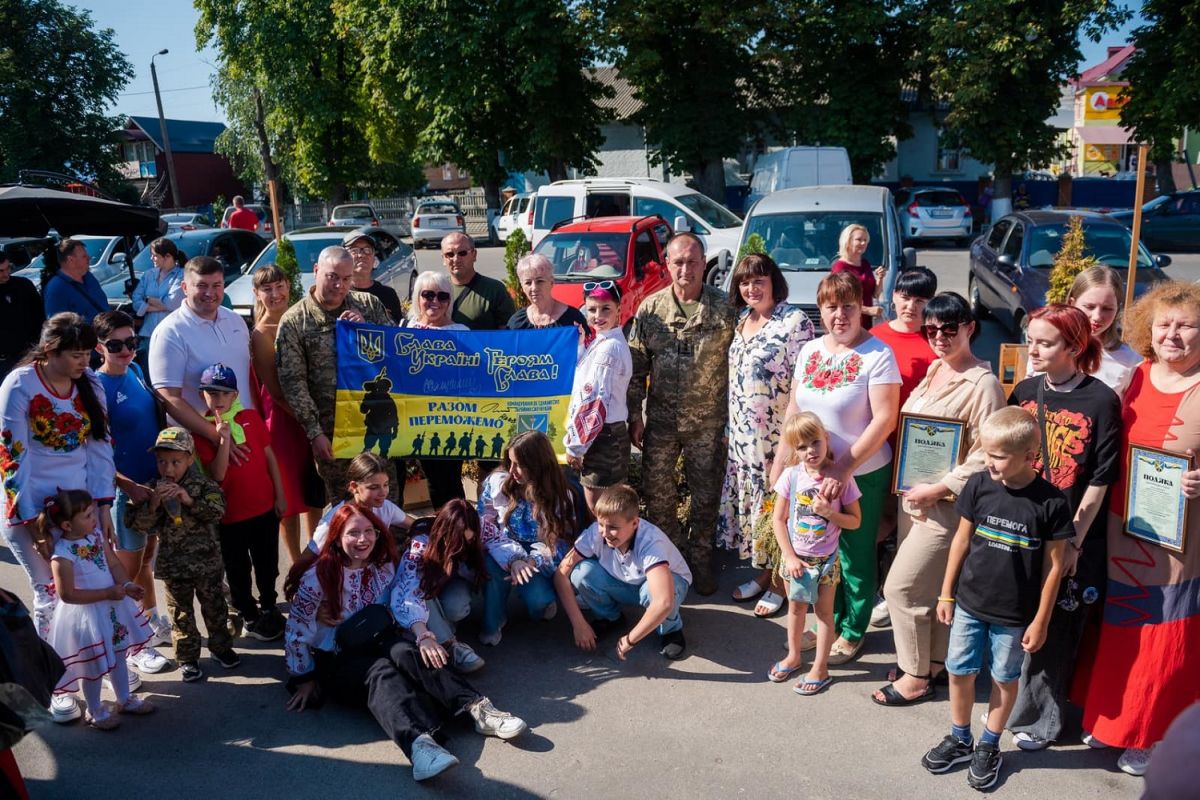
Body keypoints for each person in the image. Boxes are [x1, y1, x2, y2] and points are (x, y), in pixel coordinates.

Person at [283, 503, 527, 783]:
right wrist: (303, 677)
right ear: (337, 536)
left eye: (368, 531)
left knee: (407, 653)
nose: (362, 539)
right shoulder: (318, 576)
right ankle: (420, 745)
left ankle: (477, 709)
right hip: (338, 655)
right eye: (353, 533)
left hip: (379, 637)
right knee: (381, 673)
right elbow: (295, 631)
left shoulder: (382, 563)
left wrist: (423, 635)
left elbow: (404, 594)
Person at [1081, 282, 1200, 777]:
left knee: (1165, 631)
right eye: (1164, 324)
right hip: (1122, 524)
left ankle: (1154, 733)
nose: (1173, 334)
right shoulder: (1137, 375)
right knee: (1119, 622)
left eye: (1186, 325)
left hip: (1181, 537)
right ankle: (1112, 717)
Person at [920, 407, 1071, 791]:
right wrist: (945, 593)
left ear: (1029, 455)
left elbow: (1055, 567)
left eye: (999, 456)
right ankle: (960, 737)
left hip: (1015, 614)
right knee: (958, 669)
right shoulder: (979, 485)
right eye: (986, 453)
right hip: (969, 603)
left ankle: (989, 743)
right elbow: (961, 540)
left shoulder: (1051, 502)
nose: (989, 462)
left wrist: (1041, 620)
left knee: (1004, 678)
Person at [874, 293, 1005, 706]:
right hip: (914, 500)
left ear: (969, 327)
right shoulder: (934, 370)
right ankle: (932, 664)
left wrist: (942, 486)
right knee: (928, 593)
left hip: (946, 507)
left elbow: (987, 453)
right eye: (931, 330)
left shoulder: (984, 384)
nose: (940, 338)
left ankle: (913, 674)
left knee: (901, 588)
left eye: (950, 329)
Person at [1004, 305, 1121, 750]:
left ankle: (1042, 722)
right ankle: (1016, 706)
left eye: (1045, 342)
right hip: (1023, 531)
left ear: (1073, 347)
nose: (1032, 349)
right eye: (1030, 338)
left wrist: (1073, 539)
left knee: (1056, 629)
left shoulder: (1100, 400)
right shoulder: (1026, 391)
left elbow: (1100, 478)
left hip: (1072, 536)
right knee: (1022, 624)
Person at [771, 271, 900, 665]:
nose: (840, 315)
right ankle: (828, 618)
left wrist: (843, 468)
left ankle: (852, 629)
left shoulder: (878, 355)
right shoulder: (811, 352)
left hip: (860, 473)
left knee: (855, 554)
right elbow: (795, 411)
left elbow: (885, 420)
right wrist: (781, 462)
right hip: (812, 473)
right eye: (831, 307)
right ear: (822, 310)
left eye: (848, 306)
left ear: (861, 306)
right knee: (819, 553)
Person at [0, 313, 117, 721]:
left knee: (93, 588)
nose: (84, 361)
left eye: (88, 353)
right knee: (52, 594)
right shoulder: (19, 385)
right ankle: (56, 684)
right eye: (75, 354)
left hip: (81, 510)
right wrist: (32, 521)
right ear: (50, 350)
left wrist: (103, 507)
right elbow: (14, 455)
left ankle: (95, 668)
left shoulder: (91, 384)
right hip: (33, 510)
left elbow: (100, 448)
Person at [627, 233, 736, 595]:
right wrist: (634, 416)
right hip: (660, 422)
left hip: (708, 424)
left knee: (706, 496)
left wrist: (732, 423)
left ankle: (701, 560)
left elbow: (741, 364)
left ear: (704, 263)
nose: (685, 269)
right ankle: (670, 561)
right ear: (668, 265)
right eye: (677, 262)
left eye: (692, 261)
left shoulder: (726, 309)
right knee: (658, 495)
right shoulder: (651, 309)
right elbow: (636, 367)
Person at [716, 253, 814, 617]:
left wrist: (790, 447)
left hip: (776, 439)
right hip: (743, 441)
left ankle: (779, 585)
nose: (751, 288)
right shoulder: (743, 320)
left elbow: (803, 388)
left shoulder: (794, 322)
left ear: (774, 281)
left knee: (778, 508)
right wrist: (730, 430)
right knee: (757, 511)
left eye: (759, 280)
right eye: (744, 282)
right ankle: (764, 572)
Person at [275, 246, 398, 504]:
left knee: (386, 505)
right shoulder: (295, 322)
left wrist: (367, 330)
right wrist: (314, 432)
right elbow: (294, 383)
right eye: (332, 277)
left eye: (346, 278)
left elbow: (396, 353)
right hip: (333, 437)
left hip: (375, 428)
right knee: (346, 511)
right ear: (317, 271)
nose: (340, 285)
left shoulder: (369, 305)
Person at [126, 427, 240, 682]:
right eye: (162, 461)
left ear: (190, 458)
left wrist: (189, 500)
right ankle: (187, 658)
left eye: (176, 462)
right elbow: (137, 523)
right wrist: (154, 504)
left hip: (207, 563)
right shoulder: (152, 488)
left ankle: (222, 648)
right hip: (174, 565)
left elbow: (218, 511)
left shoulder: (203, 484)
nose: (168, 468)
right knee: (181, 614)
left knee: (215, 608)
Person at [93, 311, 172, 673]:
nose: (126, 350)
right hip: (127, 493)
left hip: (151, 487)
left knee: (146, 560)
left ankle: (151, 622)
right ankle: (129, 648)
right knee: (125, 573)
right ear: (99, 348)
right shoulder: (96, 388)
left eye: (131, 342)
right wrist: (126, 485)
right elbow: (95, 451)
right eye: (116, 345)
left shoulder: (137, 373)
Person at [43, 489, 155, 730]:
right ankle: (95, 710)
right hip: (86, 616)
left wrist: (126, 584)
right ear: (66, 524)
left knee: (118, 652)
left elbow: (113, 563)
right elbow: (68, 594)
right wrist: (107, 593)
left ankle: (124, 699)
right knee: (92, 664)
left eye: (93, 512)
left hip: (112, 608)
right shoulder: (61, 555)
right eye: (87, 515)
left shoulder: (95, 536)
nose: (94, 519)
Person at [192, 364, 287, 642]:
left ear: (235, 395)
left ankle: (269, 604)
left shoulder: (251, 418)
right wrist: (223, 438)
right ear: (202, 395)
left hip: (264, 508)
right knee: (238, 569)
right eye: (211, 392)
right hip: (231, 516)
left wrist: (280, 495)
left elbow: (269, 457)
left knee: (267, 562)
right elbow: (218, 474)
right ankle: (248, 613)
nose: (218, 398)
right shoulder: (204, 431)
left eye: (224, 393)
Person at [768, 413, 862, 695]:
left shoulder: (840, 479)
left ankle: (820, 667)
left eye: (815, 442)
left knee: (823, 614)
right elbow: (778, 519)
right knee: (795, 609)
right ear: (794, 450)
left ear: (826, 439)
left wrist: (830, 514)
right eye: (801, 446)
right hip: (795, 560)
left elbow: (855, 521)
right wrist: (788, 555)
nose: (810, 451)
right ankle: (794, 656)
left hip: (826, 562)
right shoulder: (791, 476)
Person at [868, 266, 938, 628]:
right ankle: (876, 589)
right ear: (893, 296)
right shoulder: (874, 337)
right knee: (877, 524)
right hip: (879, 450)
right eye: (905, 296)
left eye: (921, 299)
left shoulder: (935, 342)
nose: (911, 305)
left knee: (908, 527)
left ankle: (896, 593)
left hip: (919, 455)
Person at [555, 484, 692, 661]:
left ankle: (670, 629)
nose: (605, 533)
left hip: (661, 587)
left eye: (613, 527)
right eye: (600, 524)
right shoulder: (595, 533)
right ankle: (611, 618)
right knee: (581, 573)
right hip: (624, 581)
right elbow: (560, 574)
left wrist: (630, 639)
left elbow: (663, 601)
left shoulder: (651, 542)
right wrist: (578, 623)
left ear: (635, 523)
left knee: (653, 591)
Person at [478, 431, 585, 646]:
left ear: (538, 464)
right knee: (491, 567)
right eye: (509, 462)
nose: (511, 471)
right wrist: (511, 558)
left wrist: (531, 562)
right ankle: (494, 620)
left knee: (538, 602)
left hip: (540, 555)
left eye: (519, 465)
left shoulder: (562, 495)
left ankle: (540, 599)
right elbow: (485, 527)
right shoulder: (498, 483)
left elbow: (557, 545)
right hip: (503, 546)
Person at [250, 264, 321, 563]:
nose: (275, 293)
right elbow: (275, 392)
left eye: (280, 286)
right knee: (289, 499)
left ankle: (315, 555)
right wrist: (310, 423)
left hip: (312, 413)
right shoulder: (260, 333)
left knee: (314, 490)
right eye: (267, 288)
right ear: (257, 293)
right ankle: (296, 564)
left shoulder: (303, 317)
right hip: (283, 421)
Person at [149, 255, 256, 443]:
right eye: (201, 286)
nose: (210, 293)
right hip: (203, 444)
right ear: (185, 288)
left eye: (216, 285)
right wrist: (217, 437)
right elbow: (168, 398)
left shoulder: (236, 321)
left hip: (246, 434)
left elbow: (246, 378)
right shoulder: (170, 332)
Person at [390, 499, 487, 673]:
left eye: (467, 542)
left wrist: (516, 560)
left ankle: (440, 627)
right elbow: (407, 588)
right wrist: (422, 633)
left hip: (452, 584)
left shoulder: (482, 526)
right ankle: (450, 645)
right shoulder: (420, 542)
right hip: (426, 590)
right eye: (456, 542)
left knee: (456, 607)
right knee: (420, 595)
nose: (461, 548)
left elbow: (500, 542)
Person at [404, 270, 471, 509]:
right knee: (432, 479)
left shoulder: (462, 332)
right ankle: (442, 529)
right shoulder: (406, 328)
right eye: (428, 294)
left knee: (451, 480)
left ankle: (459, 528)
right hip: (419, 418)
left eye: (442, 296)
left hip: (451, 417)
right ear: (417, 297)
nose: (435, 301)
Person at [564, 280, 633, 512]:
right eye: (592, 309)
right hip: (603, 435)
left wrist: (576, 447)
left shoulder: (608, 347)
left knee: (602, 511)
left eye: (606, 309)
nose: (598, 315)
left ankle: (613, 549)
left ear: (618, 310)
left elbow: (595, 402)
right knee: (607, 511)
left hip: (603, 436)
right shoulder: (603, 341)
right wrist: (582, 345)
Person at [1025, 266, 1142, 398]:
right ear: (1072, 303)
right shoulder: (1047, 346)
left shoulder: (1130, 360)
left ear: (1117, 309)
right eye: (1090, 307)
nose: (1097, 316)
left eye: (1107, 308)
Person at [441, 232, 515, 330]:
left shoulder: (495, 290)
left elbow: (507, 335)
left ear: (474, 254)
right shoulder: (437, 289)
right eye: (449, 254)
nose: (456, 259)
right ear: (443, 259)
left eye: (462, 253)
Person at [130, 237, 185, 363]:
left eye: (155, 256)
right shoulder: (148, 275)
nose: (151, 259)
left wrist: (148, 300)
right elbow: (136, 301)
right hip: (148, 333)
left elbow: (174, 302)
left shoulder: (182, 274)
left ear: (167, 256)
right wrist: (156, 305)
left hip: (171, 335)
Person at [506, 253, 588, 330]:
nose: (534, 288)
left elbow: (587, 344)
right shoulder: (517, 323)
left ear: (551, 282)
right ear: (522, 287)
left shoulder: (573, 319)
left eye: (540, 281)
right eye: (528, 283)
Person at [0, 250, 44, 381]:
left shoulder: (23, 285)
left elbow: (39, 316)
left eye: (8, 268)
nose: (6, 274)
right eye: (1, 271)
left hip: (28, 356)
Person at [829, 225, 886, 326]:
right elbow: (839, 299)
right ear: (848, 241)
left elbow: (875, 294)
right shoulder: (839, 267)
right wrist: (867, 310)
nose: (863, 243)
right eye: (859, 240)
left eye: (865, 240)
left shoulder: (865, 263)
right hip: (848, 322)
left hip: (868, 322)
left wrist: (880, 278)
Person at [42, 239, 109, 320]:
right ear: (71, 260)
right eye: (84, 256)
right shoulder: (55, 289)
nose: (89, 258)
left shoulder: (89, 277)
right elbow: (57, 327)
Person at [345, 230, 403, 323]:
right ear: (344, 257)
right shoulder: (340, 294)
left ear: (373, 257)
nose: (361, 255)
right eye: (354, 250)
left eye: (367, 250)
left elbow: (397, 334)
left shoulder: (388, 295)